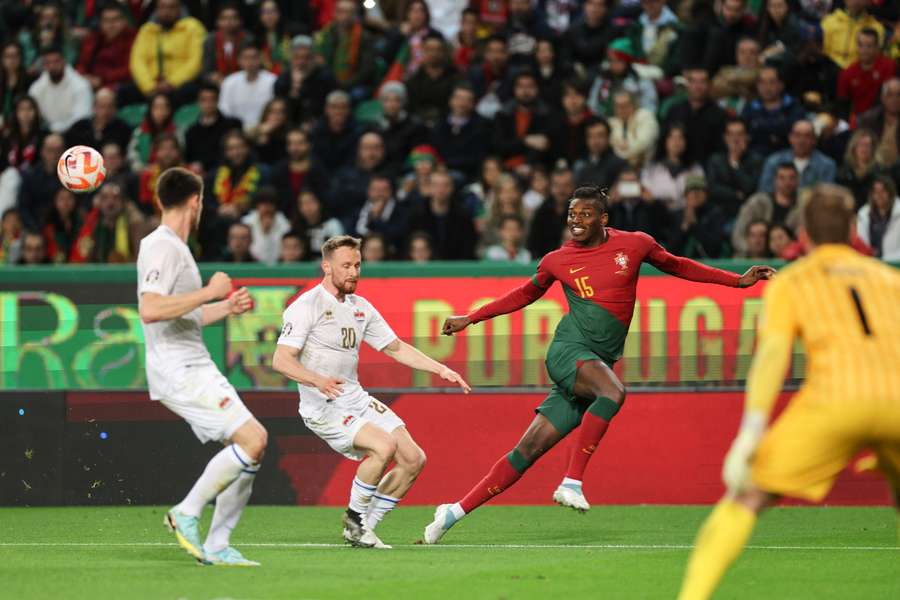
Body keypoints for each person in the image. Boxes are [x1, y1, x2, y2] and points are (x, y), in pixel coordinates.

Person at [423, 187, 773, 543]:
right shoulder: (556, 260)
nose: (576, 221)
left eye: (585, 214)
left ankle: (451, 513)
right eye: (572, 214)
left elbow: (679, 265)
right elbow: (524, 295)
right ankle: (572, 481)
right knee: (613, 391)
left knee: (526, 451)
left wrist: (736, 280)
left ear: (603, 219)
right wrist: (472, 317)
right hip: (568, 352)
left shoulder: (635, 245)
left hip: (594, 363)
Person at [677, 183, 900, 600]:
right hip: (897, 402)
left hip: (837, 401)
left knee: (747, 496)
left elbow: (773, 355)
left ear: (804, 236)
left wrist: (752, 429)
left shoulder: (794, 282)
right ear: (854, 230)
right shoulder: (890, 280)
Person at [272, 235, 470, 548]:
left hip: (355, 398)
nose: (353, 272)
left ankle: (364, 527)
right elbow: (280, 360)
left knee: (414, 459)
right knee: (382, 446)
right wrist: (316, 380)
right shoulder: (306, 306)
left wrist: (440, 368)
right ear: (326, 267)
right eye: (346, 265)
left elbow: (395, 348)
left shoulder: (360, 307)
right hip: (323, 405)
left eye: (357, 265)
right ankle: (355, 520)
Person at [137, 166, 265, 566]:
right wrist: (210, 290)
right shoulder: (162, 246)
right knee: (253, 440)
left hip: (192, 363)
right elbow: (151, 309)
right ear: (197, 201)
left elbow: (182, 316)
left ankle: (216, 545)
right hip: (179, 368)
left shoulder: (175, 247)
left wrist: (223, 306)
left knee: (248, 447)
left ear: (160, 200)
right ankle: (186, 513)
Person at [127, 0, 206, 107]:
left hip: (179, 85)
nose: (166, 12)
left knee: (189, 91)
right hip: (150, 86)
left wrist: (171, 83)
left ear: (179, 9)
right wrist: (149, 87)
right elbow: (137, 61)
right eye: (162, 7)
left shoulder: (193, 27)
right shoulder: (147, 30)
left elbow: (196, 62)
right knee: (124, 93)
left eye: (171, 7)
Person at [733, 162, 801, 255]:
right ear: (775, 180)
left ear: (798, 181)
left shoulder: (802, 208)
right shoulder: (757, 203)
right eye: (782, 178)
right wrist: (751, 253)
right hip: (753, 260)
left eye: (791, 178)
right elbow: (738, 235)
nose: (787, 182)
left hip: (789, 260)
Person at [407, 170, 478, 259]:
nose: (441, 190)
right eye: (436, 185)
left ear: (452, 188)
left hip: (456, 268)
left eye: (445, 185)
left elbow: (468, 247)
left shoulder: (463, 216)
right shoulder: (416, 215)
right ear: (429, 188)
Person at [314, 0, 377, 100]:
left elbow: (366, 69)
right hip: (331, 80)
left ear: (355, 15)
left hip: (354, 83)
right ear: (335, 13)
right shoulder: (326, 34)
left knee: (356, 95)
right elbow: (320, 61)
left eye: (349, 12)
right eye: (341, 12)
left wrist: (345, 85)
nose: (345, 16)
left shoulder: (364, 37)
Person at [664, 68, 727, 167]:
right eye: (693, 81)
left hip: (706, 169)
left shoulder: (719, 115)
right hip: (675, 167)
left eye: (702, 82)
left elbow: (720, 151)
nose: (697, 86)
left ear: (709, 85)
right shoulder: (674, 111)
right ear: (687, 84)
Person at [705, 118, 763, 221]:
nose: (735, 139)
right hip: (719, 211)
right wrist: (735, 194)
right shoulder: (716, 160)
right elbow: (712, 188)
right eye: (731, 134)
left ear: (747, 137)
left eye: (739, 134)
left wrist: (735, 163)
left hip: (747, 213)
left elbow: (749, 189)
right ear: (725, 138)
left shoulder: (756, 160)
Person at [741, 66, 805, 156]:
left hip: (787, 155)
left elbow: (793, 130)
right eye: (762, 82)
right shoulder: (750, 107)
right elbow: (745, 133)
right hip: (756, 156)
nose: (767, 87)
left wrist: (758, 126)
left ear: (781, 85)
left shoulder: (793, 106)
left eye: (771, 82)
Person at [758, 120, 837, 193]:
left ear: (814, 140)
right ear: (790, 138)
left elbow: (826, 196)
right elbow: (764, 191)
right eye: (797, 135)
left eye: (807, 136)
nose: (801, 140)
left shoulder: (827, 165)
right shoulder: (774, 161)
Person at [837, 28, 896, 124]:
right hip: (860, 121)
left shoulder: (889, 66)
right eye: (861, 45)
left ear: (877, 47)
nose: (864, 50)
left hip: (887, 118)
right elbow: (843, 105)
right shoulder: (847, 73)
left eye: (869, 46)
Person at [274, 35, 336, 126]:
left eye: (306, 58)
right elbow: (281, 108)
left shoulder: (325, 77)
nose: (301, 62)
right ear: (291, 58)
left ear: (314, 58)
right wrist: (295, 89)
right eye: (297, 57)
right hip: (290, 125)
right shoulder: (284, 78)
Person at [431, 83, 490, 180]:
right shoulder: (439, 123)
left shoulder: (482, 126)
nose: (462, 103)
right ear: (450, 100)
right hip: (438, 169)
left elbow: (477, 157)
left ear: (473, 104)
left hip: (466, 173)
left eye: (468, 100)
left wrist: (446, 164)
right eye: (458, 98)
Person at [28, 46, 92, 134]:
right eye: (48, 63)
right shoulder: (37, 88)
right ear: (44, 65)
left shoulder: (81, 85)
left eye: (56, 61)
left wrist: (57, 130)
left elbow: (81, 117)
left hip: (73, 134)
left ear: (64, 61)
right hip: (46, 134)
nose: (52, 66)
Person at [184, 83, 243, 174]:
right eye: (204, 100)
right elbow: (189, 158)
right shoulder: (191, 131)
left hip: (227, 172)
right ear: (198, 102)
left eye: (212, 99)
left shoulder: (232, 125)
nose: (208, 104)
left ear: (218, 100)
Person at [75, 3, 135, 91]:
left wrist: (102, 79)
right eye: (106, 20)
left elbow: (129, 69)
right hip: (90, 83)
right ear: (100, 23)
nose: (111, 25)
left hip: (117, 86)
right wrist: (84, 77)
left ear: (124, 21)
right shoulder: (94, 38)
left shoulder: (132, 38)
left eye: (115, 20)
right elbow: (81, 64)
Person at [269, 127, 328, 214]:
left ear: (309, 145)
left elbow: (324, 199)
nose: (295, 148)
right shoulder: (279, 170)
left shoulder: (318, 170)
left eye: (300, 143)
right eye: (291, 144)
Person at [219, 44, 277, 131]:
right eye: (246, 58)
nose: (250, 62)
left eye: (254, 58)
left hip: (265, 130)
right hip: (236, 131)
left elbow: (276, 109)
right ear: (239, 61)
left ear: (260, 60)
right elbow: (224, 110)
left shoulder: (272, 81)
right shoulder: (229, 82)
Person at [668, 175, 728, 258]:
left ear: (706, 194)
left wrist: (696, 225)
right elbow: (670, 250)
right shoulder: (677, 215)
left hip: (707, 264)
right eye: (691, 190)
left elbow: (715, 247)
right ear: (685, 195)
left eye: (699, 190)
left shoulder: (715, 214)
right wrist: (684, 227)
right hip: (681, 265)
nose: (695, 194)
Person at [821, 0, 884, 69]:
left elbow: (874, 59)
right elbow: (823, 51)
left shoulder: (876, 27)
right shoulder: (828, 22)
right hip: (829, 68)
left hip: (859, 72)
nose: (856, 1)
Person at [64, 88, 132, 152]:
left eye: (110, 106)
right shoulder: (80, 127)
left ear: (115, 108)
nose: (106, 111)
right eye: (102, 107)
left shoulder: (123, 130)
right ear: (94, 107)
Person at [201, 3, 250, 87]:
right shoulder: (210, 41)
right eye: (224, 18)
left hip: (243, 82)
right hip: (217, 84)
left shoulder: (248, 40)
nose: (229, 22)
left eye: (234, 18)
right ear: (217, 22)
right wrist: (213, 77)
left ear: (240, 21)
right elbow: (205, 72)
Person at [573, 117, 629, 189]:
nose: (595, 141)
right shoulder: (580, 164)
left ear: (608, 137)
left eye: (600, 136)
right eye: (591, 136)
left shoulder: (620, 164)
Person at [609, 90, 659, 168]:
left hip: (645, 167)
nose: (621, 109)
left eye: (625, 105)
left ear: (634, 104)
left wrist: (621, 149)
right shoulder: (611, 123)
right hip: (616, 169)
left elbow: (642, 144)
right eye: (618, 106)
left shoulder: (645, 116)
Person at [241, 186, 291, 265]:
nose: (267, 208)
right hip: (251, 264)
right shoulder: (247, 222)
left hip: (278, 265)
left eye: (270, 204)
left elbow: (284, 252)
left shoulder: (284, 223)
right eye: (263, 204)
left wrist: (267, 233)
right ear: (257, 205)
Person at [858, 78, 900, 167]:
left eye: (898, 95)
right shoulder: (869, 120)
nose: (894, 99)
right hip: (872, 170)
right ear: (882, 98)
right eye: (889, 95)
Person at [856, 175, 900, 260]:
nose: (879, 195)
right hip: (870, 263)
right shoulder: (864, 214)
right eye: (876, 192)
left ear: (891, 193)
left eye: (883, 191)